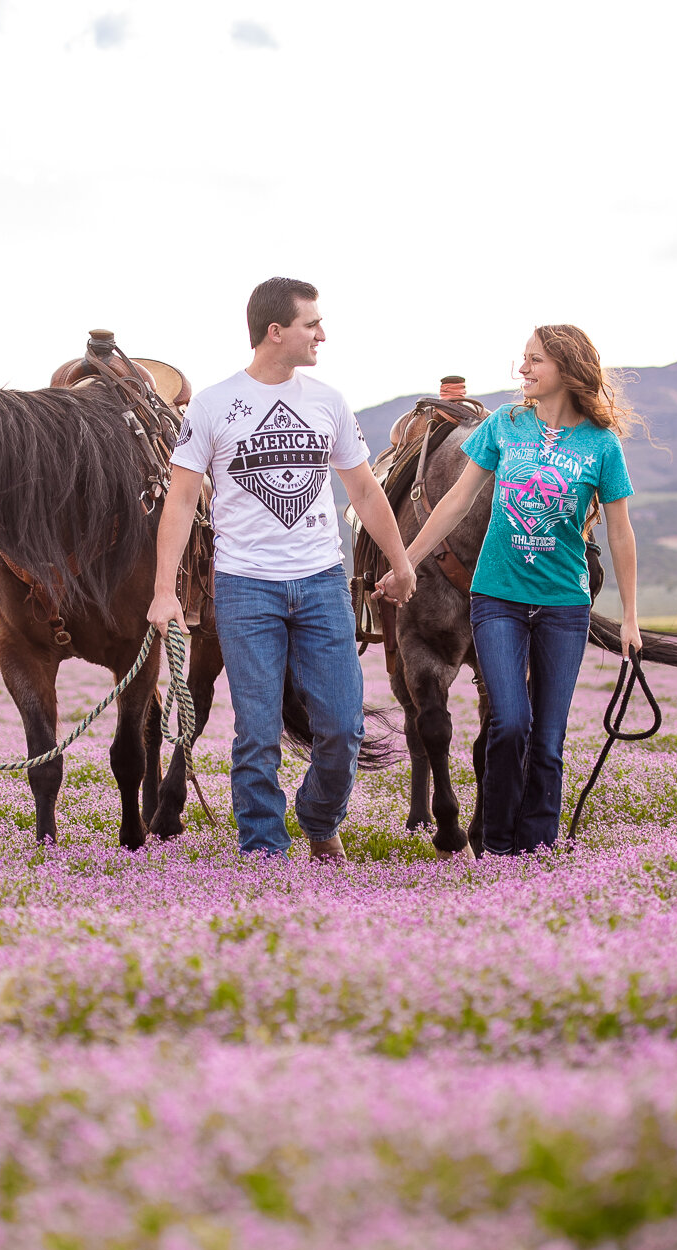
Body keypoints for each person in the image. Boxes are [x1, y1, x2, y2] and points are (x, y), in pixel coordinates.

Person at [149, 278, 417, 859]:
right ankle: (265, 852)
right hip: (246, 588)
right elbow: (179, 498)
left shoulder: (328, 401)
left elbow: (366, 492)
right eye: (311, 323)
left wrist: (401, 562)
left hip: (322, 582)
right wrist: (164, 591)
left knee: (344, 727)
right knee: (257, 734)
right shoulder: (214, 404)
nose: (322, 333)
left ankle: (320, 820)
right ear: (276, 332)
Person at [384, 324, 642, 856]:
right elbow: (455, 501)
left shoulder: (601, 444)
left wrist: (631, 619)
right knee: (509, 723)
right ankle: (498, 848)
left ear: (568, 370)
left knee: (548, 739)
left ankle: (536, 848)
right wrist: (406, 562)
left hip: (563, 604)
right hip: (497, 597)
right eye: (523, 360)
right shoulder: (504, 424)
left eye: (535, 361)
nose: (522, 370)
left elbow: (619, 531)